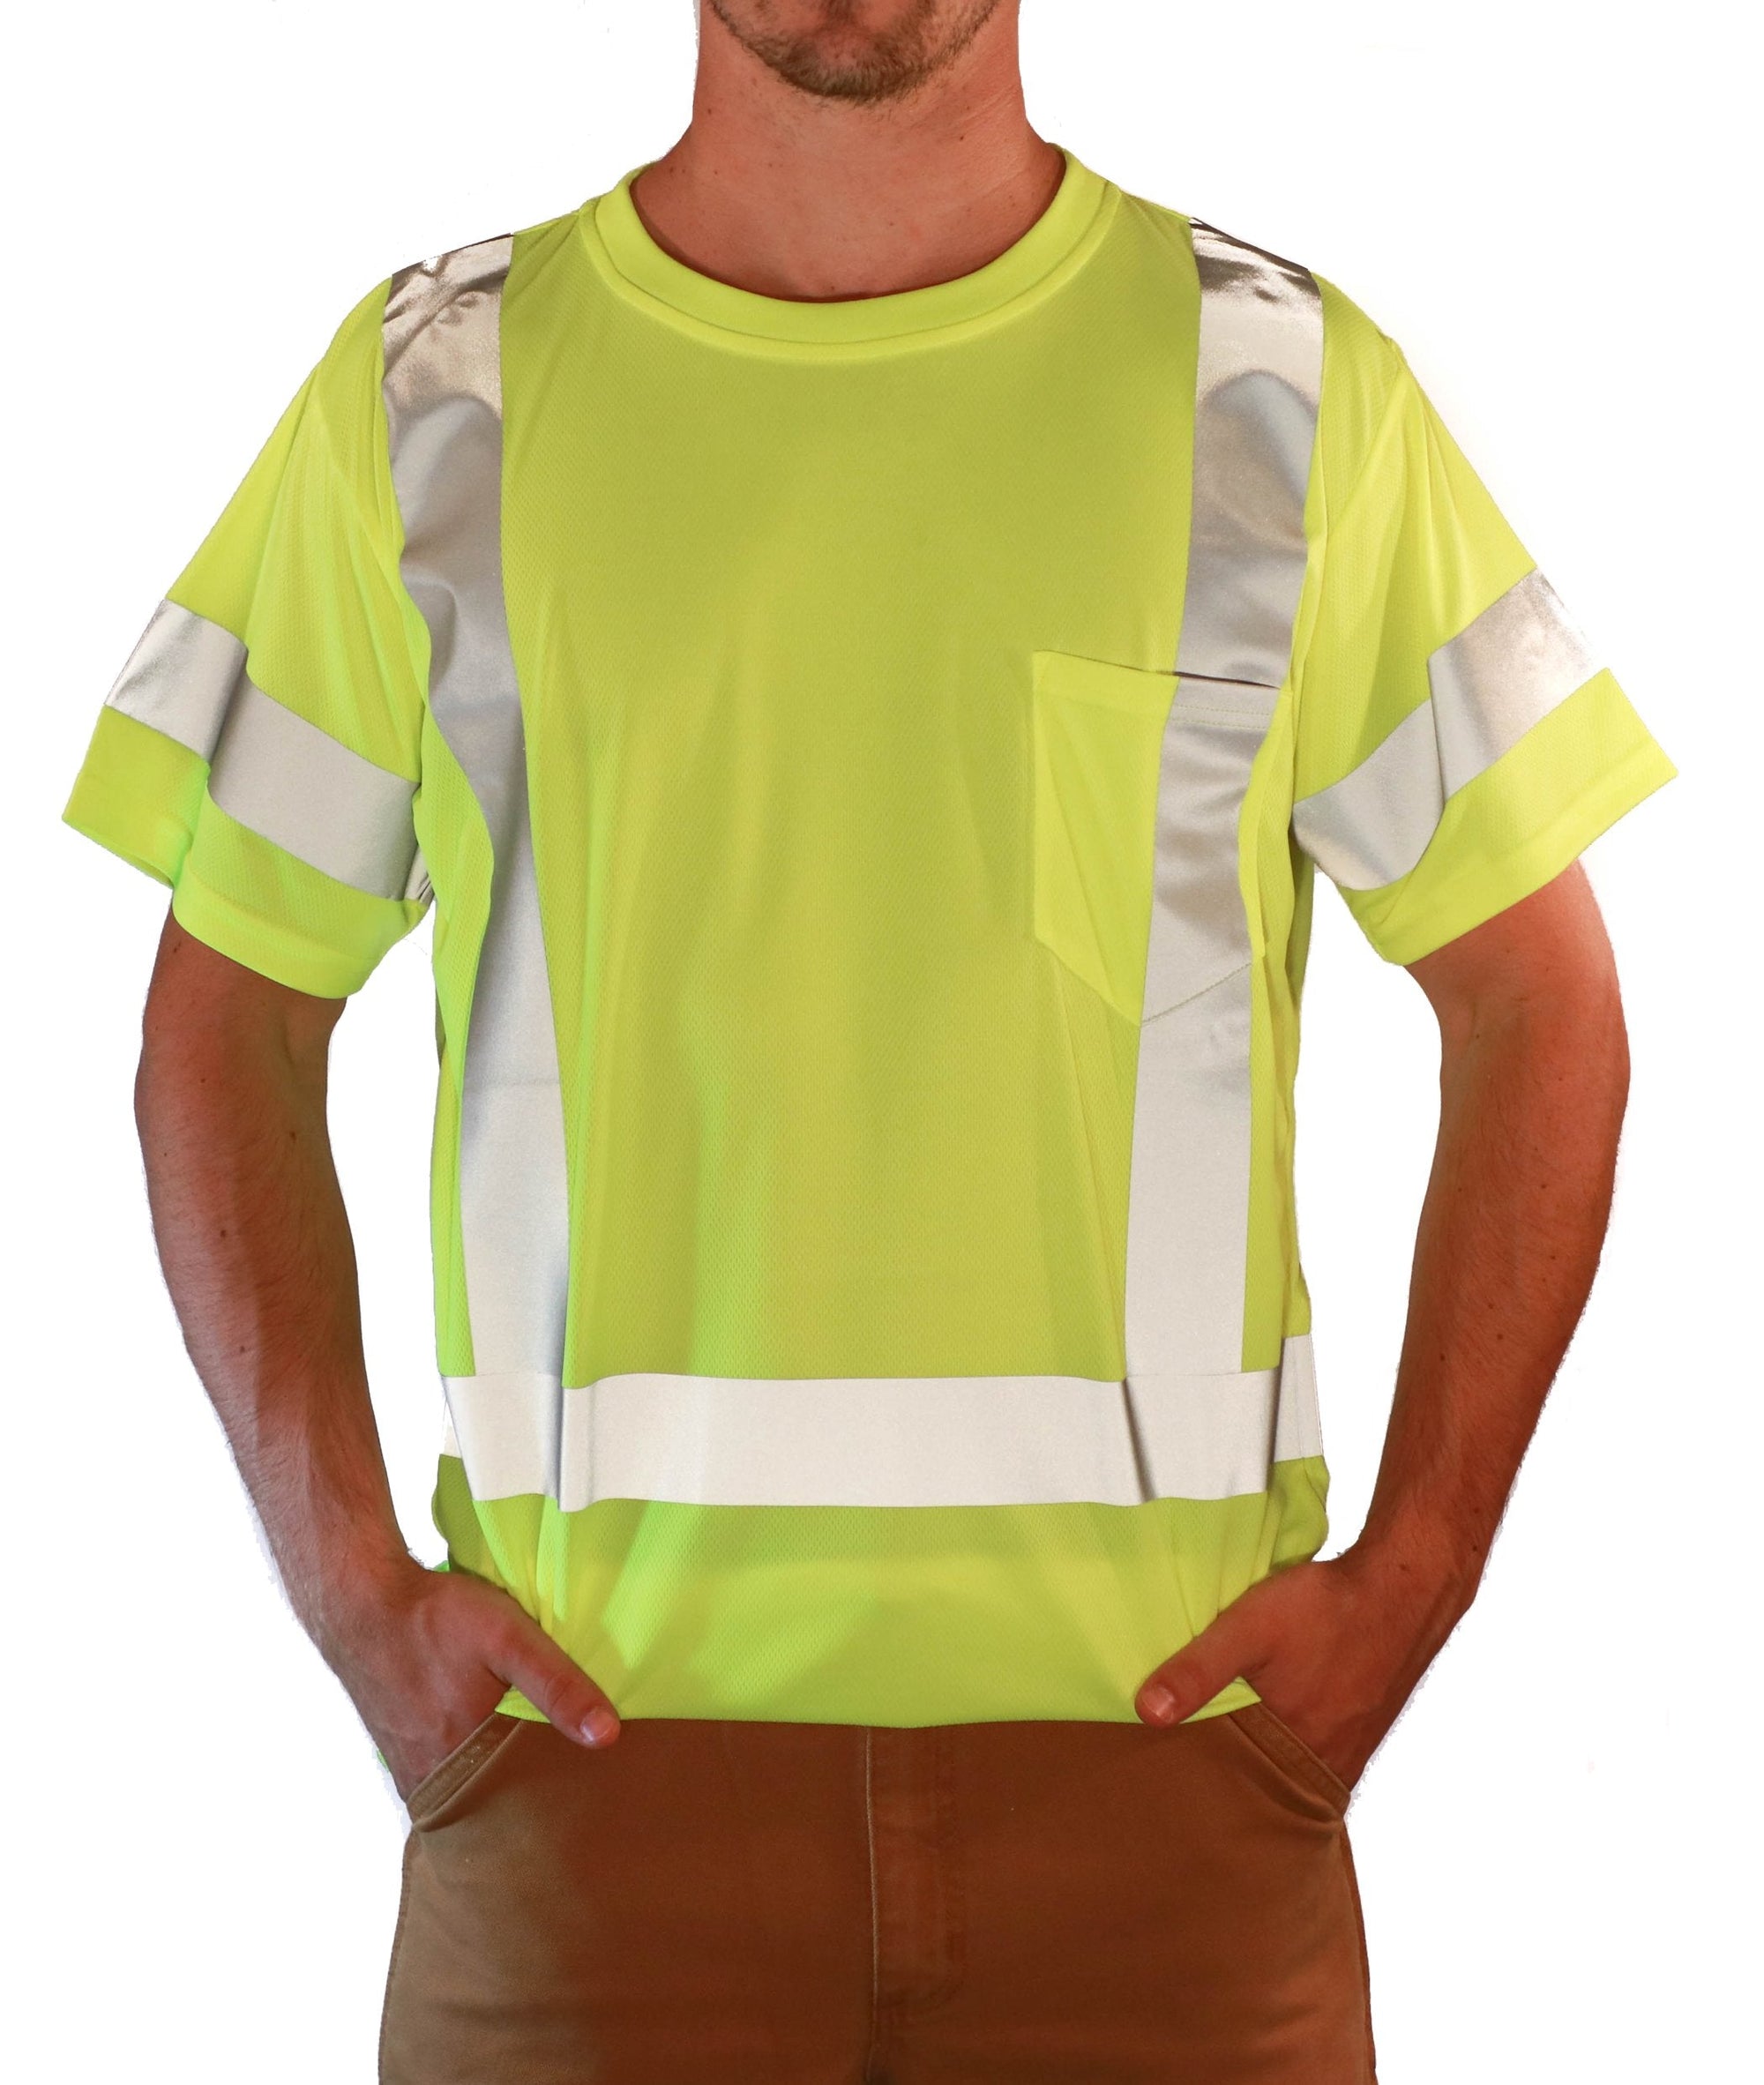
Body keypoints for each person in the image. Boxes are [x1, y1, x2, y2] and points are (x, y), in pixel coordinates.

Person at [62, 3, 1677, 2080]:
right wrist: (352, 1593)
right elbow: (225, 1023)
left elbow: (1541, 1001)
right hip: (585, 1815)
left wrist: (1421, 1573)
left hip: (1170, 1805)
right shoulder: (432, 402)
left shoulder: (1278, 395)